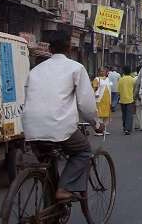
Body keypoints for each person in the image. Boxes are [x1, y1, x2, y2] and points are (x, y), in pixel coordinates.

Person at [22, 33, 98, 203]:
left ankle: (50, 205)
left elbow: (27, 97)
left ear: (49, 49)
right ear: (70, 48)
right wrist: (96, 123)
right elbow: (86, 104)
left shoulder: (35, 71)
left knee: (47, 163)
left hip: (31, 127)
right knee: (83, 151)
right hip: (59, 126)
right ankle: (64, 188)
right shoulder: (75, 68)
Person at [92, 68, 112, 136]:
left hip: (107, 100)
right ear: (98, 72)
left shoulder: (108, 79)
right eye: (101, 71)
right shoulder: (97, 79)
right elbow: (94, 89)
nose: (103, 72)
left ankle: (104, 130)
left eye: (104, 71)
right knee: (99, 116)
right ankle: (98, 130)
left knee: (106, 116)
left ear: (106, 72)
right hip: (99, 100)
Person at [118, 66, 136, 135]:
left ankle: (125, 126)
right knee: (129, 115)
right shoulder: (132, 79)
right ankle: (127, 129)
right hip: (130, 99)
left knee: (124, 114)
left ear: (123, 71)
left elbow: (118, 90)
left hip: (122, 99)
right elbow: (134, 89)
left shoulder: (121, 79)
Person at [133, 65, 142, 131]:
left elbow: (134, 89)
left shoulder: (134, 79)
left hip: (137, 97)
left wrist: (134, 97)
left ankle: (137, 125)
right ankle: (141, 126)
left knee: (137, 112)